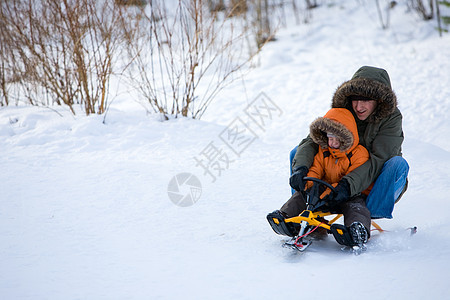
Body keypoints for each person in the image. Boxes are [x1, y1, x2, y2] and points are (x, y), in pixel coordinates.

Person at [269, 66, 409, 247]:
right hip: (332, 178)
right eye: (356, 99)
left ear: (379, 101)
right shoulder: (343, 110)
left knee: (397, 164)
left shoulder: (391, 119)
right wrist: (301, 170)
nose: (359, 106)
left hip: (369, 185)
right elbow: (312, 141)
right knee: (297, 153)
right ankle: (304, 213)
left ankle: (361, 222)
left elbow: (379, 160)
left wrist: (347, 186)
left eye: (366, 100)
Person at [268, 107, 371, 246]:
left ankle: (357, 229)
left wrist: (333, 191)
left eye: (337, 139)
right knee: (301, 196)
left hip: (349, 192)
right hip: (325, 190)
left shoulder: (359, 154)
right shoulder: (324, 151)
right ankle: (286, 217)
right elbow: (316, 169)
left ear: (346, 138)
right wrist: (307, 183)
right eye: (330, 138)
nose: (332, 143)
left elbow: (356, 177)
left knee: (356, 207)